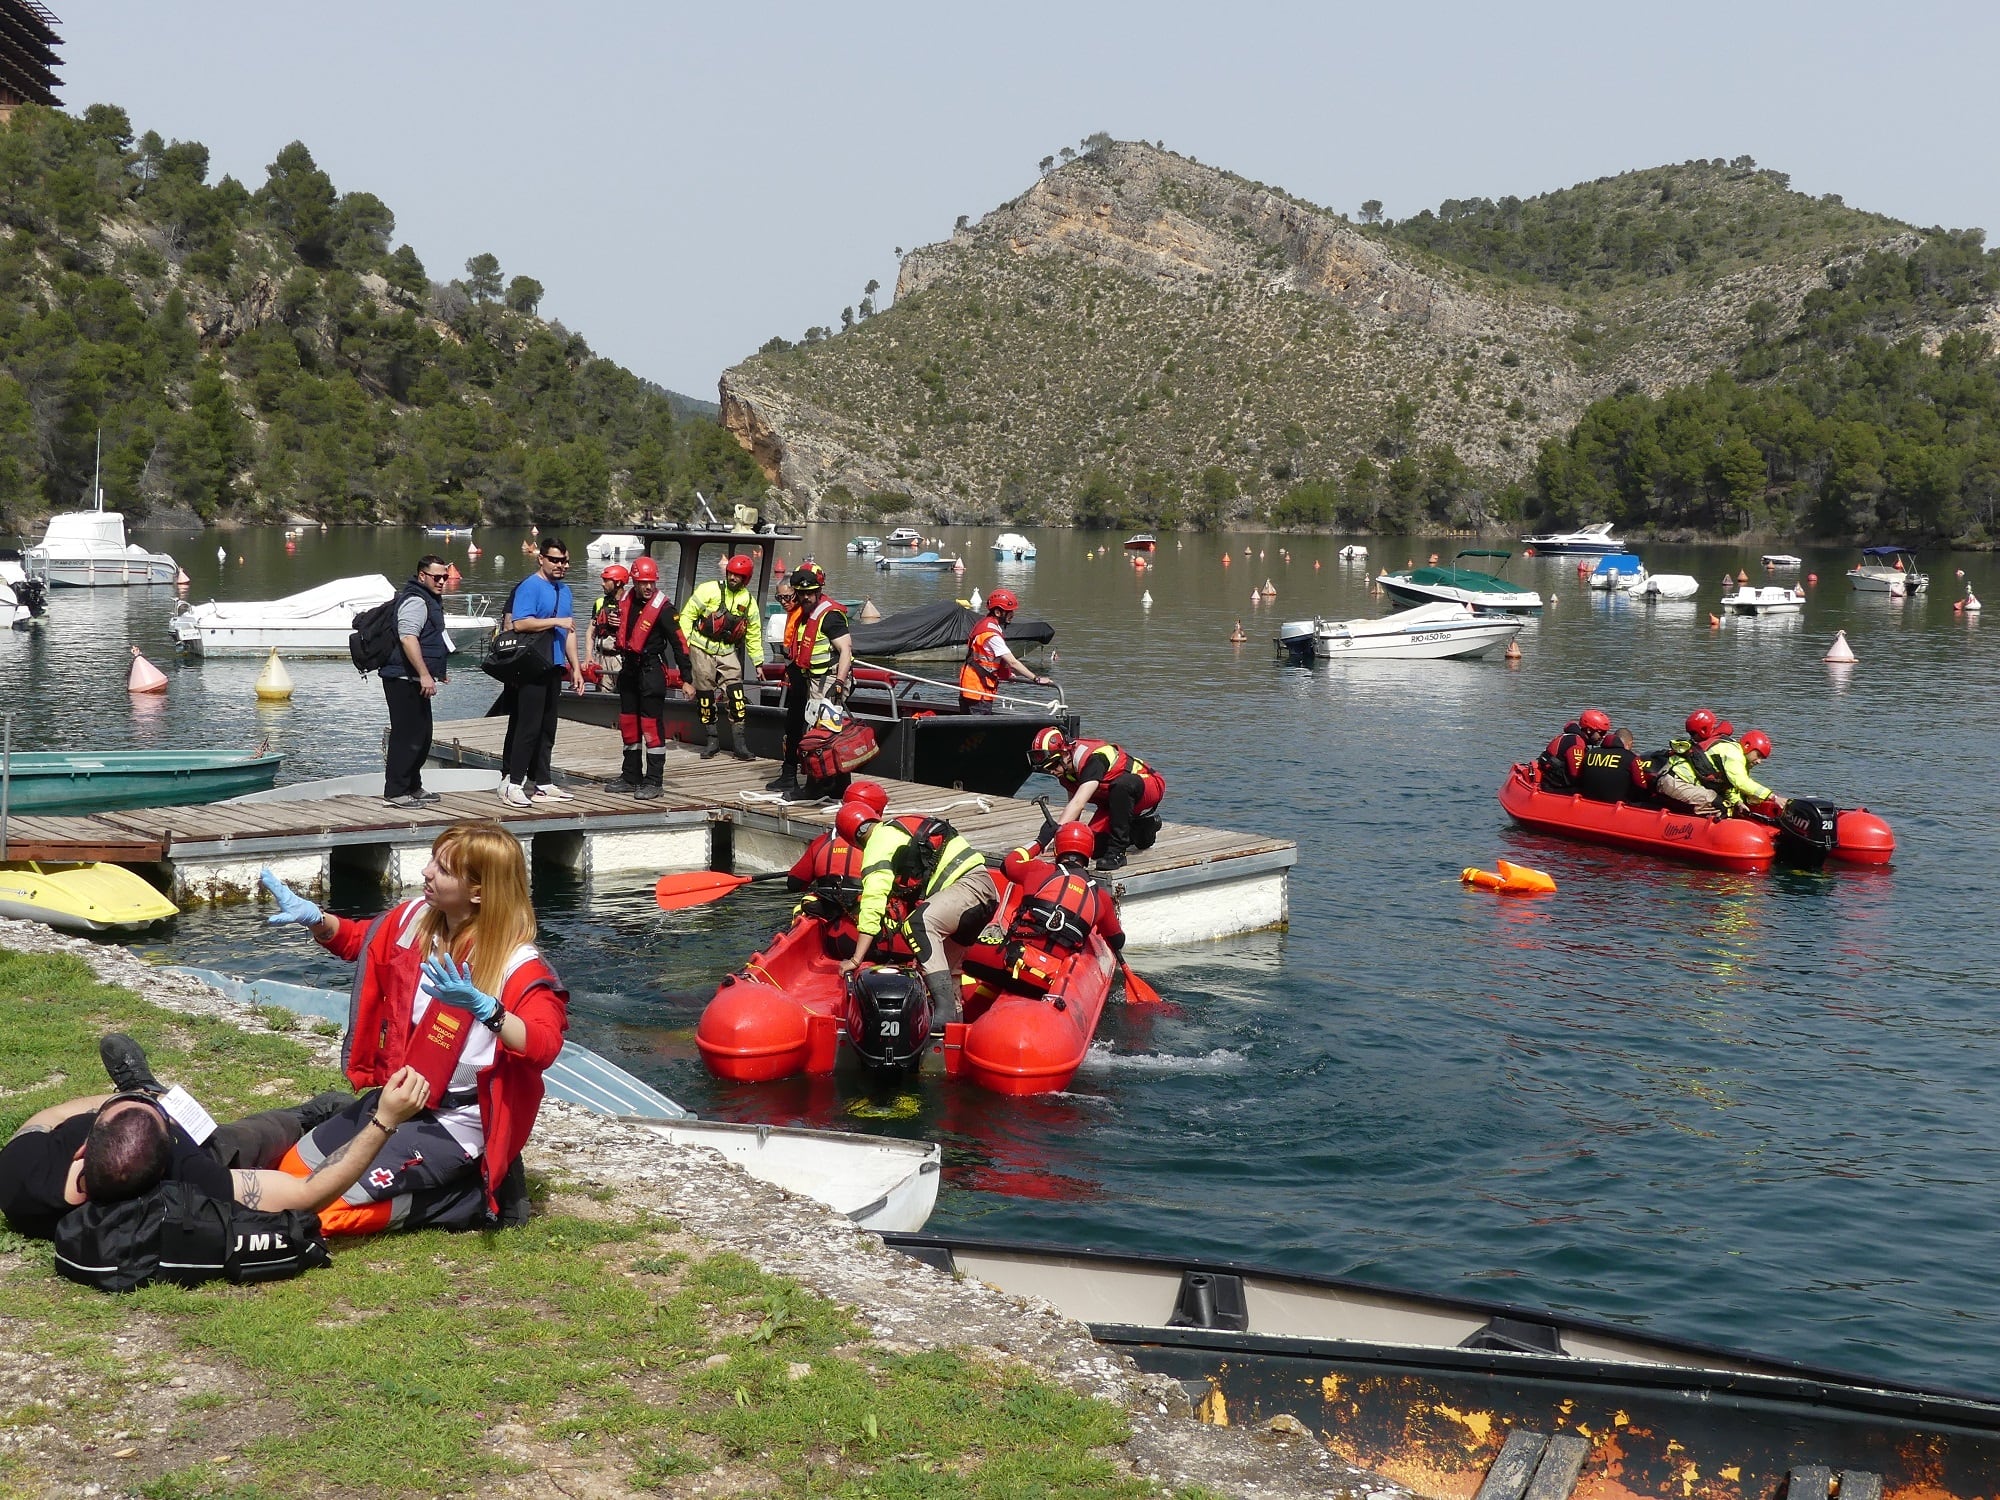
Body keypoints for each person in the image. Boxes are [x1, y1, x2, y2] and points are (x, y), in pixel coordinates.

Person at [259, 819, 568, 1234]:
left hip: (458, 1120)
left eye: (443, 868)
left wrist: (488, 1010)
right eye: (431, 861)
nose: (426, 872)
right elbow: (360, 940)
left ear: (478, 892)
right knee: (291, 1170)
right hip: (402, 1098)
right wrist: (315, 919)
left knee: (324, 1215)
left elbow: (544, 1046)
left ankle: (464, 1199)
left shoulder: (519, 965)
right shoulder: (415, 918)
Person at [0, 1034, 375, 1240]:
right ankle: (309, 1115)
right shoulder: (189, 1171)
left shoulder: (19, 1175)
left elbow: (47, 1117)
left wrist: (122, 1100)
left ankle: (141, 1088)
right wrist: (386, 1120)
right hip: (203, 1147)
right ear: (173, 1147)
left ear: (83, 1147)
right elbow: (307, 1194)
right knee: (247, 1137)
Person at [836, 800, 997, 1026]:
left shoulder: (877, 842)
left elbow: (873, 899)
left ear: (855, 839)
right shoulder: (900, 826)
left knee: (918, 924)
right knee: (948, 973)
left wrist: (855, 959)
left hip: (967, 890)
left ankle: (943, 1015)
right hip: (984, 894)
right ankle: (953, 1029)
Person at [499, 537, 584, 808]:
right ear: (542, 559)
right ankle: (513, 783)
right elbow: (520, 623)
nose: (562, 565)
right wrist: (556, 621)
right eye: (556, 560)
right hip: (532, 666)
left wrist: (576, 668)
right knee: (528, 726)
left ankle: (543, 782)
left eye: (565, 561)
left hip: (554, 666)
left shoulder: (565, 590)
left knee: (548, 727)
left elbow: (568, 631)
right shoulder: (530, 586)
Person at [993, 823, 1125, 993]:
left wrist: (1040, 841)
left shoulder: (1038, 870)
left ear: (1057, 848)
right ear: (1089, 852)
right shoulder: (1101, 898)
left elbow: (1008, 864)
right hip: (1053, 975)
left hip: (1014, 958)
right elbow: (1117, 941)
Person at [607, 557, 691, 800]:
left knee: (651, 727)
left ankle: (654, 780)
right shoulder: (625, 601)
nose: (648, 587)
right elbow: (616, 631)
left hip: (651, 671)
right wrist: (610, 624)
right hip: (629, 671)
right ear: (634, 581)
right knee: (629, 725)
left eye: (651, 583)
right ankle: (630, 775)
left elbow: (680, 645)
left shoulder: (664, 609)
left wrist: (687, 678)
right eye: (643, 583)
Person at [769, 563, 855, 797]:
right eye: (802, 592)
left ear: (819, 590)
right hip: (813, 680)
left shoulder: (829, 616)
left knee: (820, 736)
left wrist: (839, 683)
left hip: (828, 681)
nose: (806, 597)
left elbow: (846, 650)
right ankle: (836, 787)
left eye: (811, 592)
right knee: (824, 734)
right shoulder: (805, 616)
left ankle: (816, 788)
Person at [1027, 728, 1166, 872]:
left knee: (1122, 786)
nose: (1051, 771)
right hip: (1114, 802)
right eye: (1046, 768)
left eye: (1053, 765)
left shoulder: (1094, 760)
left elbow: (1078, 803)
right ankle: (1142, 828)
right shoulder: (1065, 769)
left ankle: (1117, 853)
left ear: (1065, 754)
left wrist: (1050, 834)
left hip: (1146, 786)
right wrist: (1062, 842)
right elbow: (1073, 805)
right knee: (1090, 848)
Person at [381, 554, 454, 809]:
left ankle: (413, 785)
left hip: (414, 676)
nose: (442, 581)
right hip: (402, 678)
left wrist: (436, 670)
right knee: (407, 736)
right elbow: (408, 638)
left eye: (445, 576)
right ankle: (395, 791)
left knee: (422, 735)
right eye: (437, 577)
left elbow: (430, 639)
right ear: (422, 575)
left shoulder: (430, 599)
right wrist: (424, 674)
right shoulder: (415, 600)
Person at [678, 552, 762, 761]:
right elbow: (687, 616)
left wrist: (758, 662)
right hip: (701, 648)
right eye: (731, 573)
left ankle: (740, 745)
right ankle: (712, 741)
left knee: (737, 697)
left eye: (738, 575)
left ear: (746, 578)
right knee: (705, 697)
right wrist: (685, 644)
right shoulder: (709, 590)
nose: (733, 578)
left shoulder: (749, 602)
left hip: (727, 651)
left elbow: (753, 633)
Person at [958, 589, 1053, 713]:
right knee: (978, 731)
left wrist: (1005, 674)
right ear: (998, 612)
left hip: (970, 686)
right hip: (978, 690)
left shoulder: (984, 624)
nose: (1012, 614)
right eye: (1009, 611)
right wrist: (1036, 678)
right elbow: (1013, 662)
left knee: (969, 727)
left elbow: (986, 659)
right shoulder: (992, 635)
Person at [583, 563, 630, 690]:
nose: (602, 584)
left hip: (621, 659)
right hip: (602, 658)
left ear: (618, 583)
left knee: (624, 695)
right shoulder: (599, 603)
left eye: (605, 580)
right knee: (602, 696)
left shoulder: (631, 605)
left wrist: (622, 624)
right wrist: (588, 655)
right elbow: (590, 633)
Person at [1538, 708, 1611, 791]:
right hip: (1555, 787)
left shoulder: (1570, 737)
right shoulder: (1576, 744)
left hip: (1550, 781)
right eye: (1601, 733)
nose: (1603, 737)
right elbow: (1576, 775)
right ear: (1589, 730)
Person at [1575, 727, 1652, 804]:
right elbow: (1642, 786)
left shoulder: (1590, 753)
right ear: (1630, 743)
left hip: (1587, 801)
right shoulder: (1631, 758)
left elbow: (1580, 777)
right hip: (1617, 806)